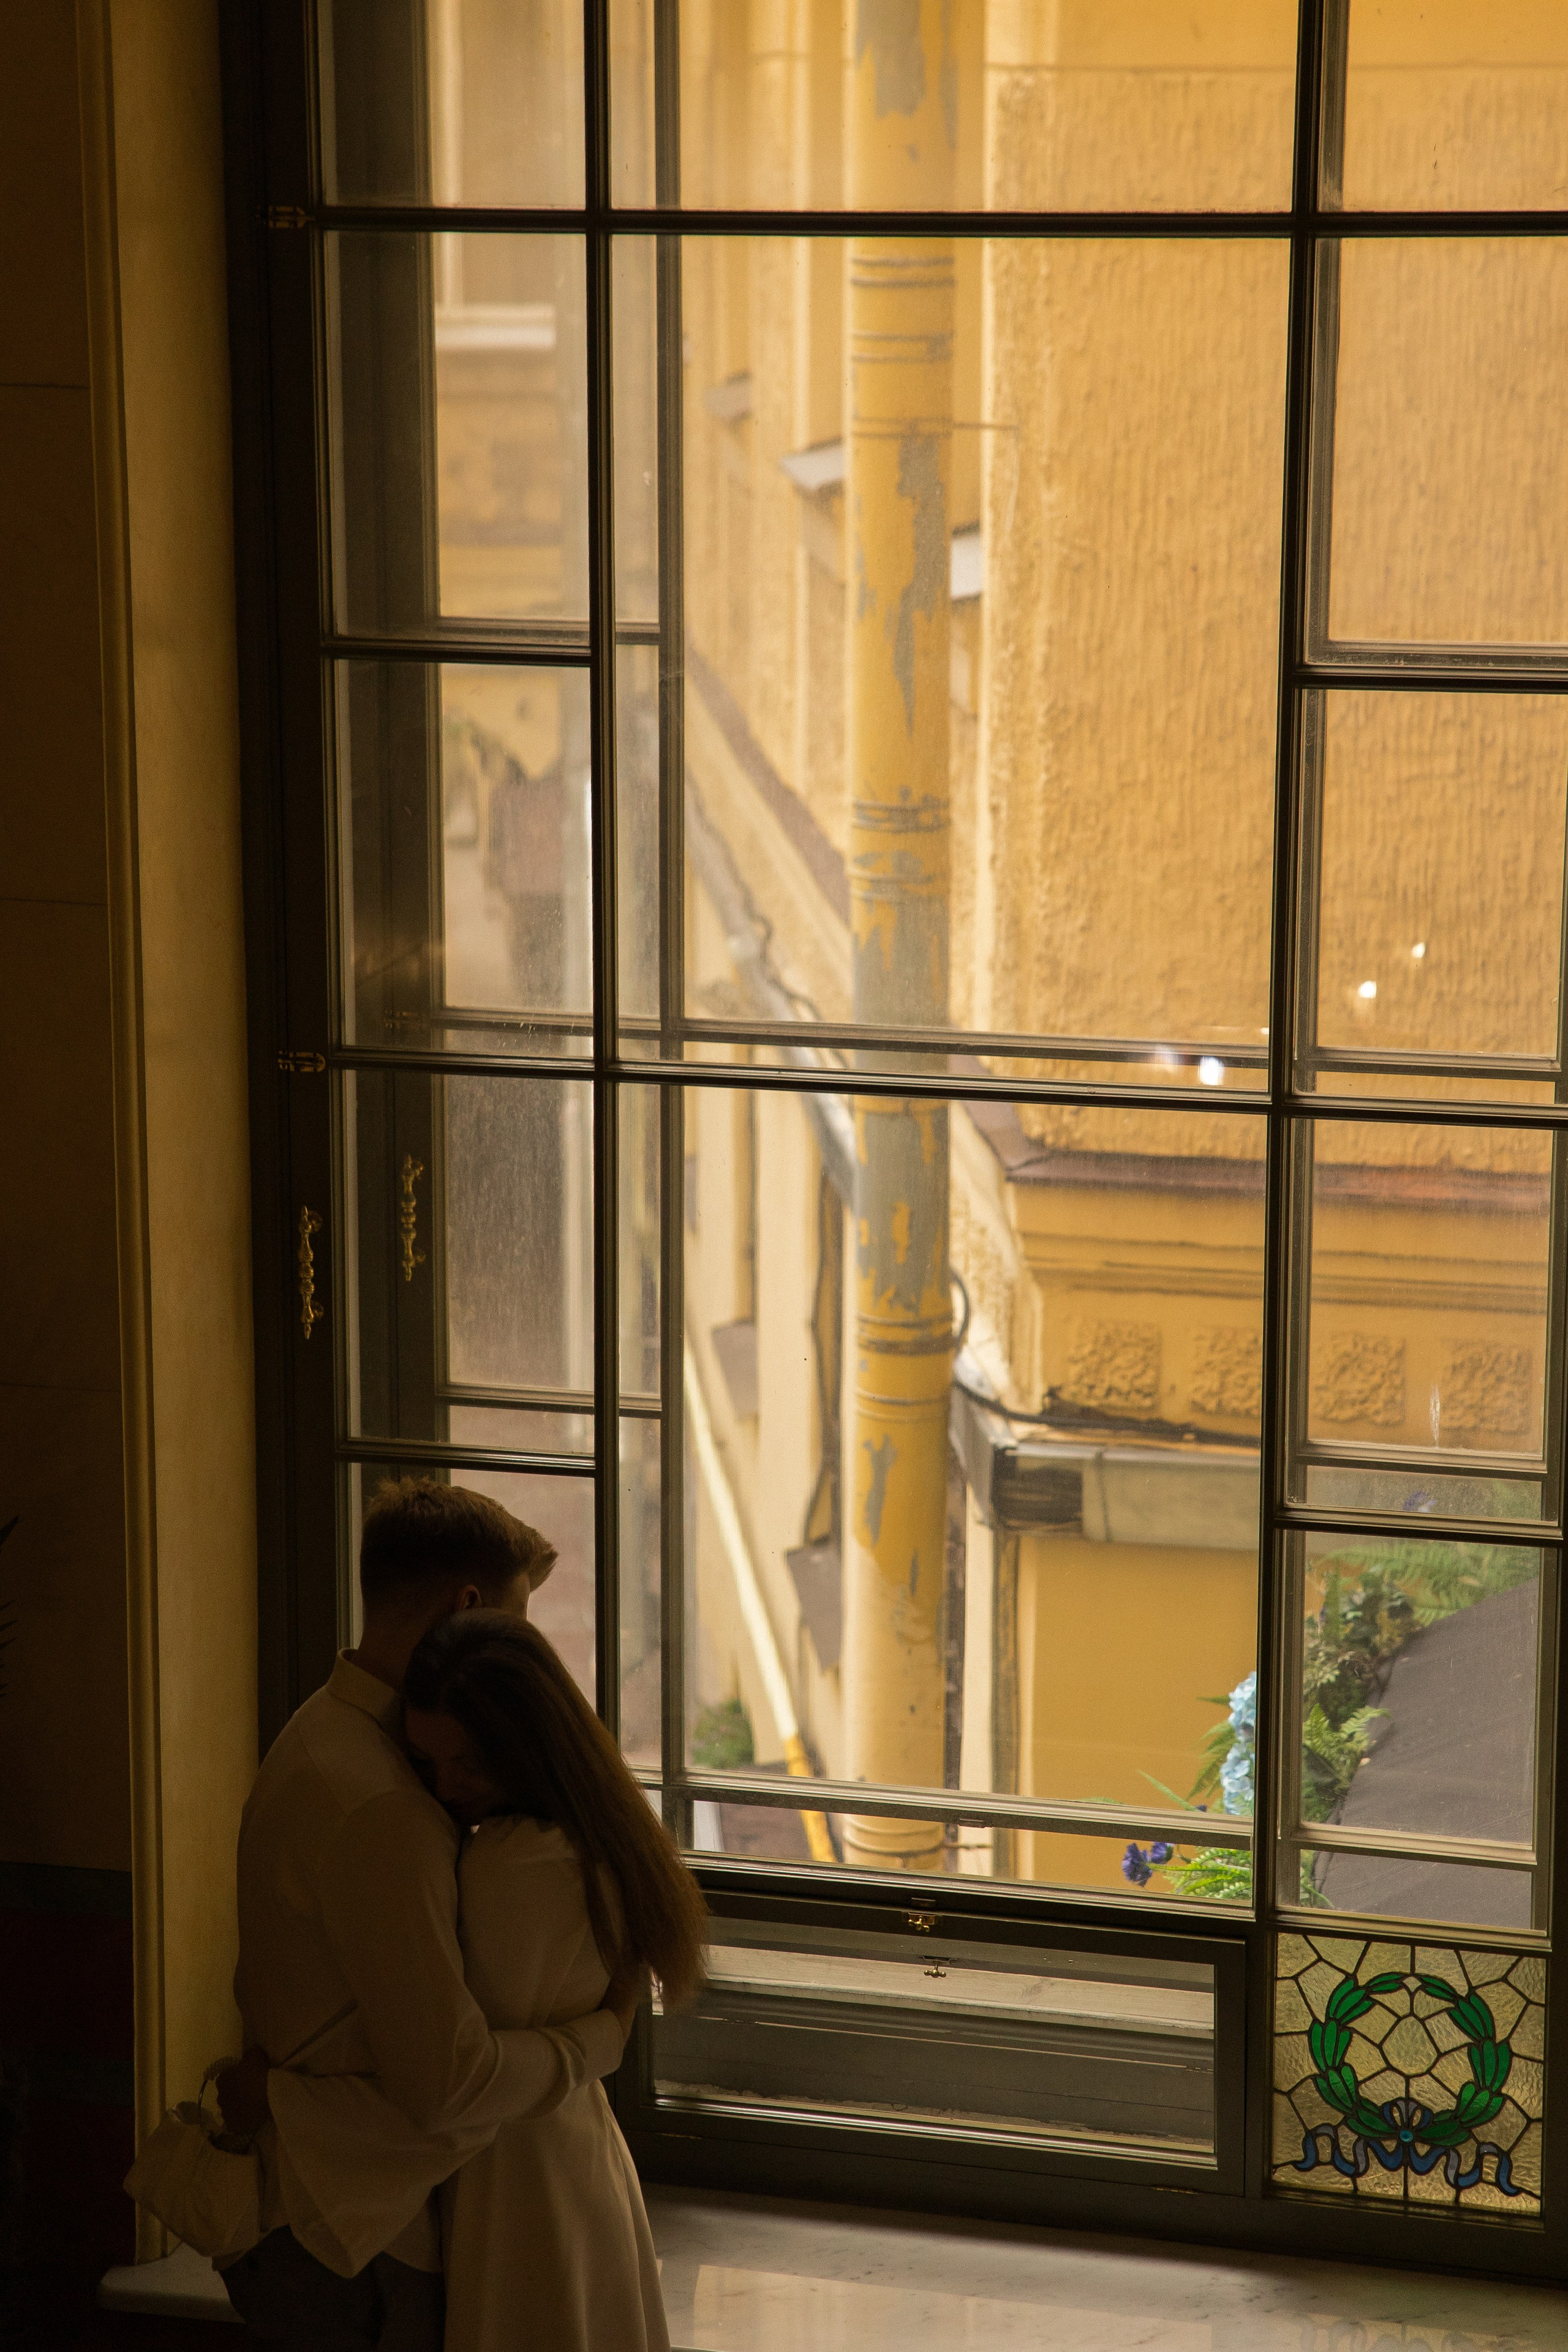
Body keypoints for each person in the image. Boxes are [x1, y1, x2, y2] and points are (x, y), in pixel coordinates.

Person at [214, 1480, 634, 2351]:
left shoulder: (320, 1732)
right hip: (363, 2236)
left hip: (330, 2209)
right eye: (515, 1622)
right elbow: (450, 2085)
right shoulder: (383, 1806)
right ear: (467, 1607)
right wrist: (605, 2039)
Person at [399, 1607, 707, 2352]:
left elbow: (464, 2071)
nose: (446, 1787)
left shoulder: (509, 1862)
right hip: (577, 2159)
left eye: (468, 1761)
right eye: (430, 1763)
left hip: (516, 2187)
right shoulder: (596, 1834)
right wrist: (602, 2037)